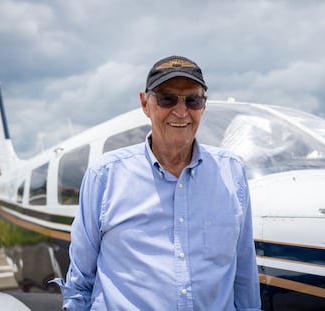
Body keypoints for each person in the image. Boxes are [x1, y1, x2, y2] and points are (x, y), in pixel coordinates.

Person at [55, 55, 261, 310]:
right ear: (145, 103)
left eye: (193, 100)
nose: (181, 111)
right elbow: (80, 281)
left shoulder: (232, 172)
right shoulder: (104, 175)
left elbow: (244, 274)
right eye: (167, 98)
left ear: (203, 105)